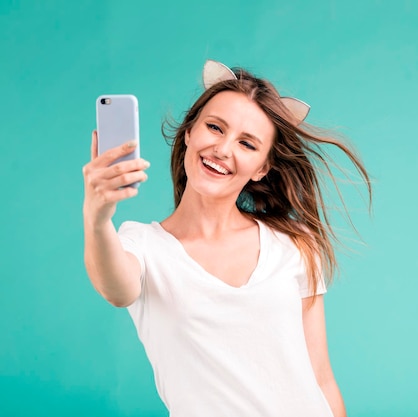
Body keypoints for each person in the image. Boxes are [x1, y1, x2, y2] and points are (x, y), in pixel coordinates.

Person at [82, 60, 370, 417]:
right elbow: (116, 289)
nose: (223, 149)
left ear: (262, 168)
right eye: (215, 127)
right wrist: (97, 217)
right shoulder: (143, 246)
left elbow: (322, 378)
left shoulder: (294, 243)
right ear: (189, 132)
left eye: (247, 144)